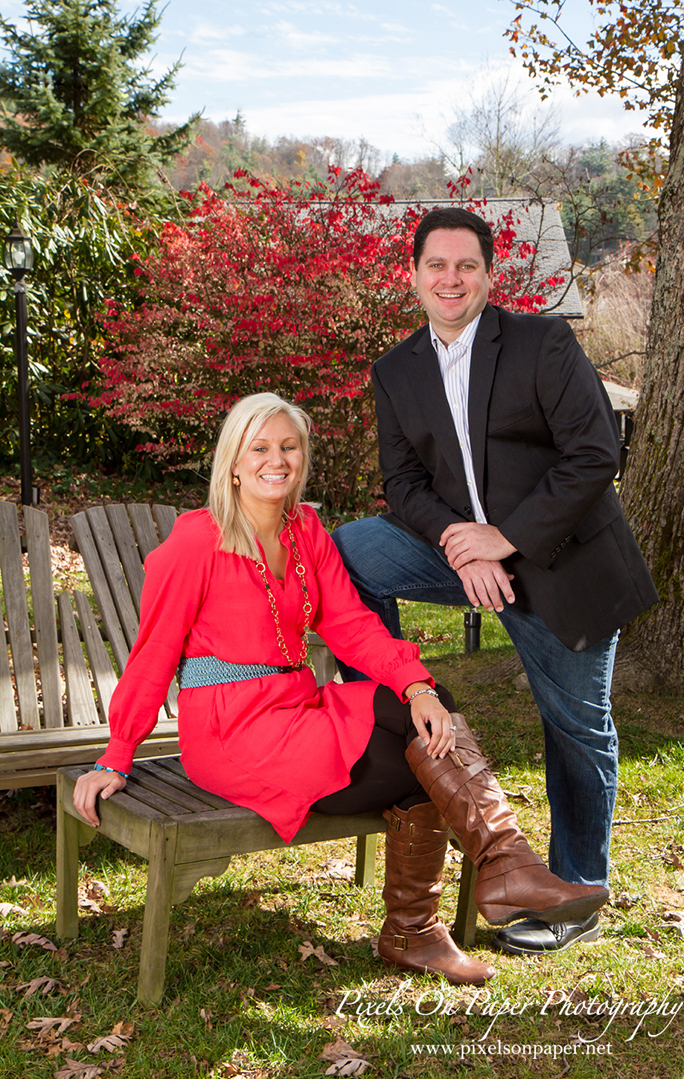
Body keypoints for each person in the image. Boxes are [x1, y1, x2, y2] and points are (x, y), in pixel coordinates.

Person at [73, 392, 608, 983]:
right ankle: (435, 918)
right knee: (421, 757)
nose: (276, 460)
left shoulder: (304, 530)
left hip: (299, 708)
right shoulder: (196, 542)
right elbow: (153, 655)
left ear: (302, 457)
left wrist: (417, 684)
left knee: (431, 710)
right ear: (232, 461)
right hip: (231, 732)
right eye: (260, 447)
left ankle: (498, 869)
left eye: (289, 446)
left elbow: (351, 627)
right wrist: (117, 757)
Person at [332, 208, 659, 956]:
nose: (450, 279)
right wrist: (464, 548)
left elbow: (594, 452)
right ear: (412, 275)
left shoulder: (541, 342)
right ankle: (398, 705)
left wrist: (504, 540)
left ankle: (575, 892)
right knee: (353, 550)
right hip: (467, 561)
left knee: (576, 728)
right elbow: (402, 484)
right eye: (436, 266)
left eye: (465, 266)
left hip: (561, 564)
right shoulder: (395, 370)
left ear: (487, 274)